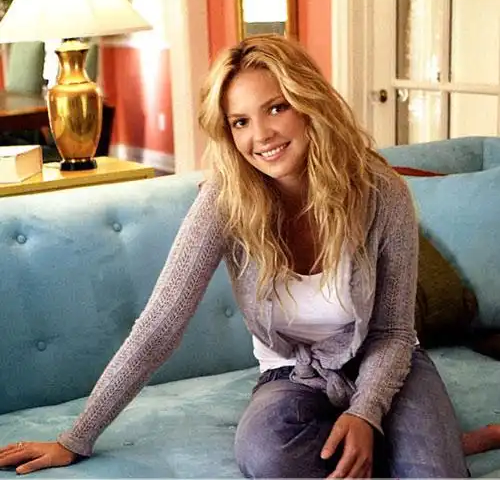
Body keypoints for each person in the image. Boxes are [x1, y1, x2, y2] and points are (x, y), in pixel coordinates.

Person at [0, 34, 499, 478]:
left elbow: (392, 332)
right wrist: (75, 438)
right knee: (265, 455)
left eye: (276, 108)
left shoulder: (381, 193)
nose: (260, 136)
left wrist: (366, 412)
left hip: (383, 363)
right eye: (240, 121)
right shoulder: (225, 201)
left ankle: (424, 445)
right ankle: (419, 445)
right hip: (290, 374)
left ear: (310, 103)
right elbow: (159, 326)